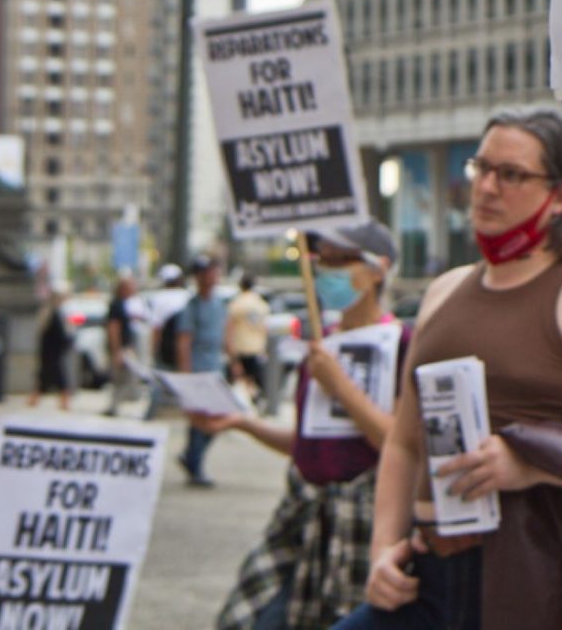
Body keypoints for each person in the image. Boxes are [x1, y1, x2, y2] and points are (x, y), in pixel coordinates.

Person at [336, 109, 562, 630]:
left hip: (532, 579)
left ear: (561, 196)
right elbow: (404, 442)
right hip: (425, 572)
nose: (487, 188)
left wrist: (534, 461)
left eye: (511, 174)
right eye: (481, 168)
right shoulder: (443, 292)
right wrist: (383, 550)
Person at [205, 221, 407, 629]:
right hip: (300, 519)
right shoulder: (319, 345)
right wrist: (243, 424)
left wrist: (341, 387)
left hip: (361, 522)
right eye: (322, 261)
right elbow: (307, 444)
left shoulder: (402, 344)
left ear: (378, 269)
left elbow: (397, 443)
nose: (327, 271)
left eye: (341, 260)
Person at [174, 255, 230, 487]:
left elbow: (226, 333)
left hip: (215, 367)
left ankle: (190, 455)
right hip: (198, 368)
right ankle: (195, 464)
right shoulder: (191, 307)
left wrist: (233, 361)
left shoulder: (220, 304)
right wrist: (185, 373)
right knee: (200, 418)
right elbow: (183, 341)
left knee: (219, 417)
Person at [141, 264, 192, 421]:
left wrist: (153, 352)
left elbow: (156, 329)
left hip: (166, 350)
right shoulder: (188, 296)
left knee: (159, 384)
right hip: (186, 350)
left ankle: (150, 416)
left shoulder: (159, 298)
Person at [227, 272, 272, 410]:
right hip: (257, 348)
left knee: (243, 381)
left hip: (241, 347)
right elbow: (265, 328)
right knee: (252, 382)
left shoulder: (237, 303)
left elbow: (229, 329)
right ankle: (254, 404)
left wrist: (231, 354)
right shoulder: (261, 304)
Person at [31, 287, 75, 409]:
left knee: (46, 377)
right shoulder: (54, 313)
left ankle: (35, 398)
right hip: (53, 351)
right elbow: (60, 333)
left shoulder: (50, 311)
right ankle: (63, 401)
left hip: (49, 351)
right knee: (58, 376)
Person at [104, 274, 140, 415]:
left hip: (125, 347)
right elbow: (113, 329)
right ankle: (115, 406)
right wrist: (117, 350)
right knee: (121, 378)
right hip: (120, 349)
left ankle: (117, 405)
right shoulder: (116, 305)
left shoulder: (125, 304)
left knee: (127, 378)